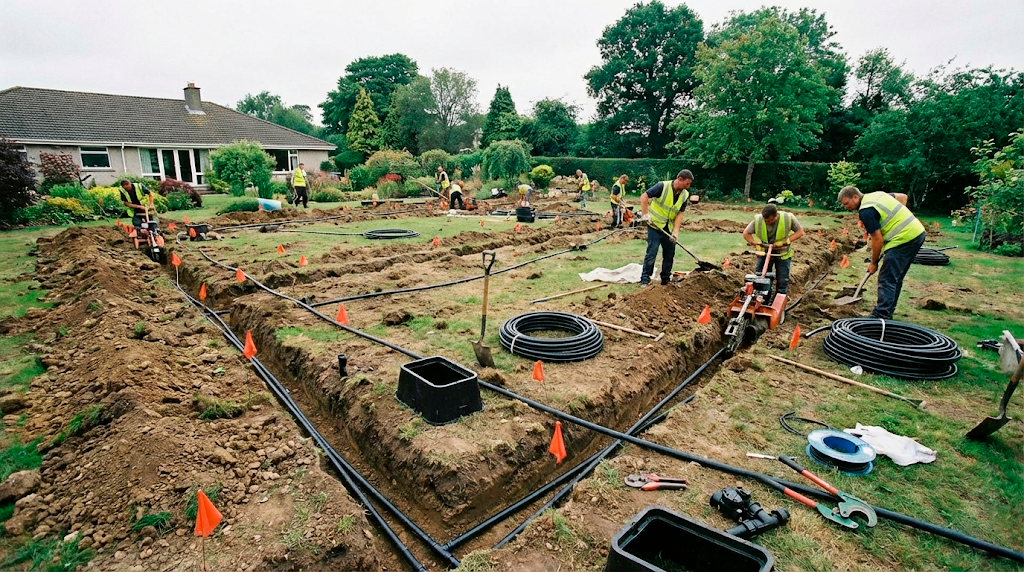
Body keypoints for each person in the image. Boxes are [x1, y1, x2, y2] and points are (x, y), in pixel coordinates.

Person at [838, 186, 926, 320]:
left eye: (846, 203)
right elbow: (903, 197)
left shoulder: (866, 211)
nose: (846, 207)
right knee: (896, 277)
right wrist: (898, 219)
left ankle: (880, 315)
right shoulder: (877, 195)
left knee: (887, 277)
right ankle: (887, 312)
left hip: (903, 239)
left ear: (855, 197)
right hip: (917, 233)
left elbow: (877, 239)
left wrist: (873, 262)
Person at [638, 170, 694, 286]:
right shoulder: (662, 186)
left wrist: (676, 231)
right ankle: (645, 279)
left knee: (669, 253)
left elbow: (680, 213)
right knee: (652, 252)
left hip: (668, 228)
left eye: (689, 184)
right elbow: (644, 196)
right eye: (687, 184)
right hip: (655, 225)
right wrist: (645, 214)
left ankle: (665, 279)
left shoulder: (684, 195)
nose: (688, 187)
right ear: (679, 179)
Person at [742, 203, 805, 298]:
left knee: (782, 279)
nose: (766, 222)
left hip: (782, 253)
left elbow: (800, 232)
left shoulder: (788, 218)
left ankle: (779, 301)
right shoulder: (758, 220)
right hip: (765, 252)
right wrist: (754, 243)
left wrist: (786, 241)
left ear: (775, 216)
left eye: (769, 220)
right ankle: (764, 299)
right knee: (761, 278)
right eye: (765, 220)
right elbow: (746, 233)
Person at [119, 178, 162, 248]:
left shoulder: (139, 186)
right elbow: (126, 203)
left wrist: (151, 204)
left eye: (129, 187)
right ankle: (139, 236)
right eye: (126, 189)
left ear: (130, 184)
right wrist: (138, 207)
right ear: (123, 187)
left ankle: (156, 235)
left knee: (153, 223)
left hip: (146, 207)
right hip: (135, 210)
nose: (128, 189)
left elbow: (150, 194)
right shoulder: (122, 191)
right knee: (137, 224)